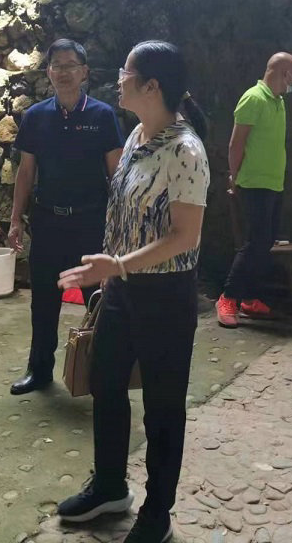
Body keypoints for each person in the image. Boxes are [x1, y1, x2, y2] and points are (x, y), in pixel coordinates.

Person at [55, 41, 210, 543]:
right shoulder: (138, 136)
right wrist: (110, 271)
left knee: (163, 405)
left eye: (126, 72)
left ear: (151, 86)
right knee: (106, 383)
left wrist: (117, 264)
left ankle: (157, 512)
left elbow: (185, 237)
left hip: (165, 295)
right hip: (122, 289)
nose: (117, 79)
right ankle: (109, 486)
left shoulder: (185, 151)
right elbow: (123, 213)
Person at [7, 39, 123, 395]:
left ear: (84, 72)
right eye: (56, 65)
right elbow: (26, 172)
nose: (63, 72)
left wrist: (120, 228)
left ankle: (102, 372)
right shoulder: (36, 116)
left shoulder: (102, 116)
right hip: (47, 222)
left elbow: (118, 174)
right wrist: (15, 219)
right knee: (43, 300)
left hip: (90, 224)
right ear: (48, 72)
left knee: (98, 300)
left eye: (70, 65)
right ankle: (39, 370)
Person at [216, 52, 292, 328]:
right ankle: (228, 297)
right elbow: (236, 143)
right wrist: (235, 177)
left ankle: (249, 298)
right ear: (284, 73)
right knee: (254, 242)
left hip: (274, 183)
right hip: (253, 183)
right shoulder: (253, 98)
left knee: (265, 243)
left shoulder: (278, 102)